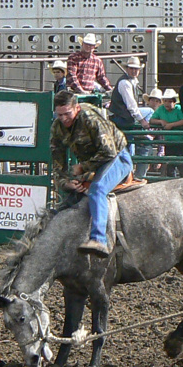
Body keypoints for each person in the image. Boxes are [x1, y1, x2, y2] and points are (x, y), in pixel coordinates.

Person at [49, 89, 134, 256]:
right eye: (59, 115)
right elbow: (57, 157)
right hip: (94, 163)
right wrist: (65, 182)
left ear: (77, 108)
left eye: (67, 113)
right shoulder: (57, 127)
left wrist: (82, 168)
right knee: (71, 197)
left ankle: (99, 239)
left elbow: (109, 151)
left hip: (117, 157)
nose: (63, 119)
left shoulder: (90, 119)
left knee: (97, 190)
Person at [108, 56, 149, 156]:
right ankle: (146, 134)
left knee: (126, 146)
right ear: (127, 69)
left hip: (122, 116)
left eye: (136, 69)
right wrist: (142, 120)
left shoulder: (129, 82)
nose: (134, 71)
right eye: (131, 68)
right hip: (121, 118)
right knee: (127, 147)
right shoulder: (125, 83)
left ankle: (144, 134)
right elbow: (131, 105)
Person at [150, 88, 183, 176]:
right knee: (171, 167)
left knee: (182, 166)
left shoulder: (179, 109)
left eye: (169, 101)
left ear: (174, 102)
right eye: (165, 101)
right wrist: (161, 121)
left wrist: (171, 125)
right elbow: (152, 120)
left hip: (180, 142)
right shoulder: (161, 109)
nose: (167, 103)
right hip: (169, 141)